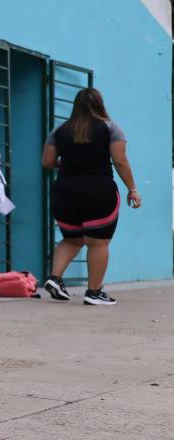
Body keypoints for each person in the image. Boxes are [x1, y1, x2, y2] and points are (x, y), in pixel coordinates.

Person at [42, 87, 141, 306]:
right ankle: (94, 292)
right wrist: (132, 188)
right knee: (98, 242)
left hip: (64, 191)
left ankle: (55, 278)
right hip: (98, 191)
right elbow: (120, 161)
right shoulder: (111, 128)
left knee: (72, 239)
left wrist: (72, 163)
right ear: (100, 104)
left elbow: (47, 162)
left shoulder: (59, 130)